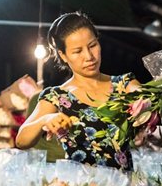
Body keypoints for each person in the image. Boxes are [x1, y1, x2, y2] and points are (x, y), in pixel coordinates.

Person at [15, 11, 142, 171]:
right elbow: (21, 141)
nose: (89, 56)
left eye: (92, 46)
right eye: (77, 51)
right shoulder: (57, 96)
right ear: (63, 55)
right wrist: (45, 119)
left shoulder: (124, 84)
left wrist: (149, 101)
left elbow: (147, 98)